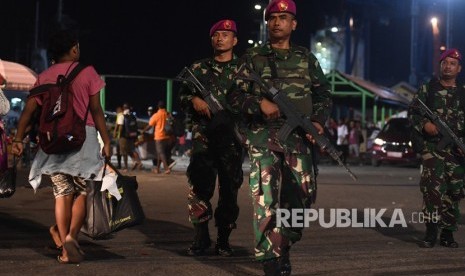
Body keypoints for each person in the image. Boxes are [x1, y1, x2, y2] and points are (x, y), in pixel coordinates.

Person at [228, 0, 332, 274]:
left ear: (293, 23)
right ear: (267, 22)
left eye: (283, 17)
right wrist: (258, 104)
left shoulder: (306, 58)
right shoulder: (253, 57)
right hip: (263, 138)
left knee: (301, 199)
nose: (277, 22)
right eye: (272, 17)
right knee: (265, 199)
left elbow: (323, 95)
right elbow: (234, 95)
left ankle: (283, 244)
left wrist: (319, 121)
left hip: (298, 140)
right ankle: (269, 259)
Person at [11, 29, 111, 264]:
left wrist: (17, 139)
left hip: (52, 139)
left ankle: (65, 246)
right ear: (74, 48)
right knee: (81, 191)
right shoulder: (87, 72)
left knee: (62, 193)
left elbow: (28, 112)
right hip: (82, 139)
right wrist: (106, 140)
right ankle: (70, 239)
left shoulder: (44, 75)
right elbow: (96, 111)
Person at [178, 19, 244, 257]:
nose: (220, 38)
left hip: (232, 140)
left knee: (229, 190)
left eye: (226, 34)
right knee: (199, 187)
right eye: (216, 34)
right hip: (204, 137)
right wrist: (193, 100)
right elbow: (183, 94)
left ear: (234, 40)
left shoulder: (244, 70)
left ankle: (223, 239)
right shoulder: (198, 69)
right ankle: (200, 236)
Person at [409, 48, 465, 248]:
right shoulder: (428, 90)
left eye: (452, 63)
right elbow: (414, 113)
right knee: (432, 192)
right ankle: (431, 232)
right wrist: (425, 125)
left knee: (454, 192)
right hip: (433, 150)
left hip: (457, 153)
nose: (448, 66)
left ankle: (448, 234)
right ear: (440, 66)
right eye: (444, 62)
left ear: (459, 69)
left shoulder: (463, 93)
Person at [142, 100, 175, 174]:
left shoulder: (156, 115)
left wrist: (143, 131)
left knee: (161, 152)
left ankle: (166, 168)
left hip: (159, 136)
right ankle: (157, 168)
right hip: (167, 136)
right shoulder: (167, 114)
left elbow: (150, 126)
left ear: (158, 107)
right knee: (159, 153)